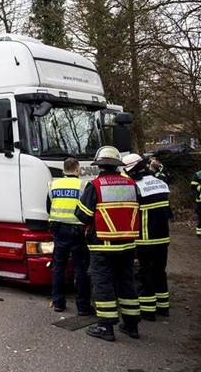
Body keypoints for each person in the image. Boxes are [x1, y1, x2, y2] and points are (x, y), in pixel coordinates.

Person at [75, 146, 141, 342]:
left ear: (100, 165)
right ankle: (131, 325)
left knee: (103, 283)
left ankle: (105, 326)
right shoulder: (131, 184)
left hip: (103, 245)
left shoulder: (95, 186)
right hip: (128, 244)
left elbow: (83, 215)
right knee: (126, 282)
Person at [123, 153, 173, 320]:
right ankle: (163, 307)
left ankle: (148, 311)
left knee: (146, 274)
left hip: (145, 238)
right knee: (160, 271)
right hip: (163, 237)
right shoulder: (160, 182)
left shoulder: (136, 187)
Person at [46, 157, 91, 315]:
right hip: (77, 231)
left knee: (59, 267)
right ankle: (83, 306)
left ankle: (58, 303)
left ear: (64, 169)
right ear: (77, 169)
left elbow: (49, 207)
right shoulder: (83, 185)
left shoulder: (53, 184)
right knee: (81, 269)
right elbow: (87, 210)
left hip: (58, 230)